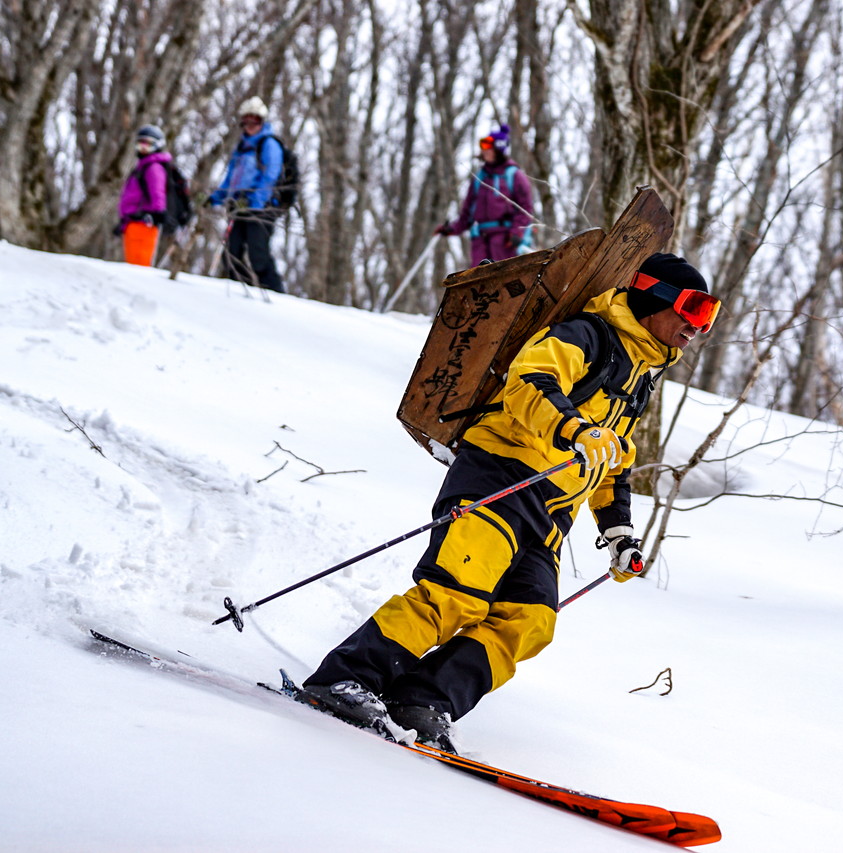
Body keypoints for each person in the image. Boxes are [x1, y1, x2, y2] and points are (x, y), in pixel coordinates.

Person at [303, 252, 721, 752]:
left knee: (529, 620)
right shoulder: (589, 336)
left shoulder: (640, 376)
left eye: (709, 316)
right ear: (656, 298)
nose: (699, 326)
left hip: (548, 515)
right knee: (456, 594)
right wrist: (575, 428)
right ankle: (345, 678)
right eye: (694, 309)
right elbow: (528, 381)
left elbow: (614, 460)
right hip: (498, 478)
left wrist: (618, 532)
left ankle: (422, 701)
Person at [207, 96, 285, 293]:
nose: (250, 125)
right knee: (231, 253)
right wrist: (216, 197)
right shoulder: (241, 148)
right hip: (238, 206)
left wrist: (254, 201)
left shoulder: (269, 144)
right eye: (246, 120)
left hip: (260, 208)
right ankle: (241, 291)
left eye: (255, 120)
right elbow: (231, 178)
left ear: (262, 121)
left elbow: (271, 176)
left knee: (258, 255)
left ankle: (277, 295)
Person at [434, 123, 534, 265]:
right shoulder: (479, 178)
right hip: (480, 241)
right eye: (483, 147)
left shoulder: (514, 175)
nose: (484, 151)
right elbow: (467, 214)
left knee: (503, 278)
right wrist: (451, 229)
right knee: (480, 282)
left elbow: (525, 210)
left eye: (488, 147)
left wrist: (516, 232)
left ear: (498, 149)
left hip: (504, 241)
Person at [115, 125, 172, 266]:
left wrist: (158, 212)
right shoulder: (143, 166)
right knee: (132, 264)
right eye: (140, 143)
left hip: (144, 223)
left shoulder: (153, 167)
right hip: (132, 223)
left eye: (147, 144)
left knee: (139, 266)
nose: (143, 148)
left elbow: (158, 192)